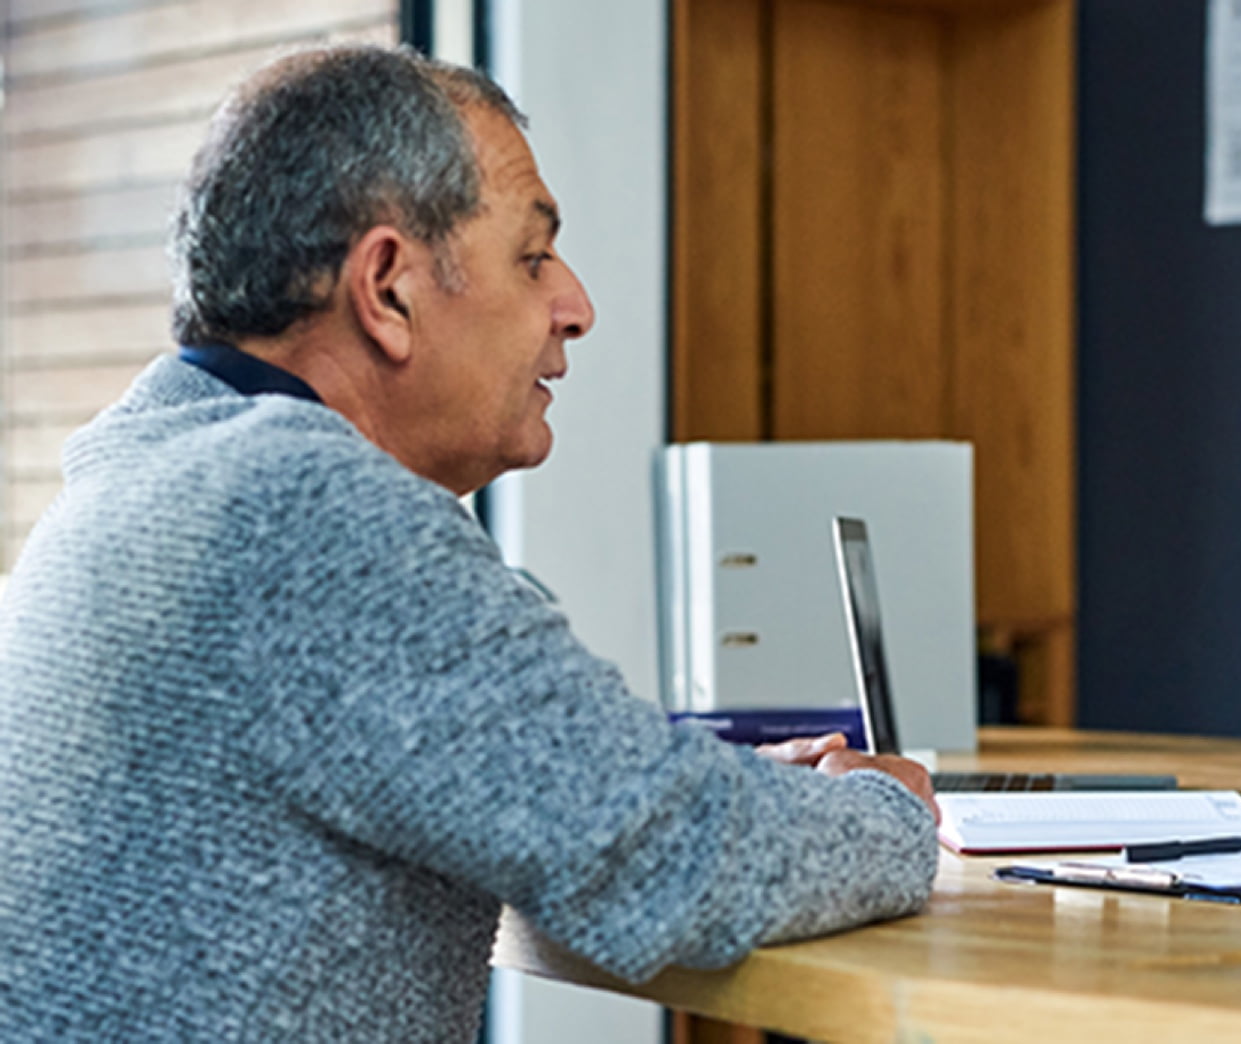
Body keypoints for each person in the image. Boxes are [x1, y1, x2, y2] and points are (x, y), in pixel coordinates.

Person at [0, 45, 938, 1040]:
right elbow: (665, 863)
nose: (575, 305)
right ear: (390, 290)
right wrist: (888, 813)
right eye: (533, 258)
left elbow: (572, 799)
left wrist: (706, 788)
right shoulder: (299, 506)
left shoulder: (149, 479)